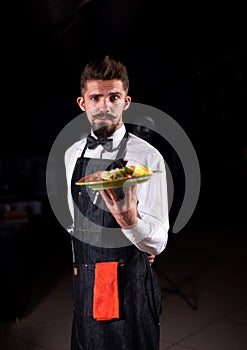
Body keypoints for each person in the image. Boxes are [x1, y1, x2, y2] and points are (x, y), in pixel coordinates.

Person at [64, 55, 169, 350]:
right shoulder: (71, 154)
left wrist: (130, 224)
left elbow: (158, 241)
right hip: (86, 281)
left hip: (131, 283)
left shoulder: (148, 158)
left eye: (114, 96)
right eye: (96, 97)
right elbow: (76, 221)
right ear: (83, 103)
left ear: (126, 101)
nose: (105, 105)